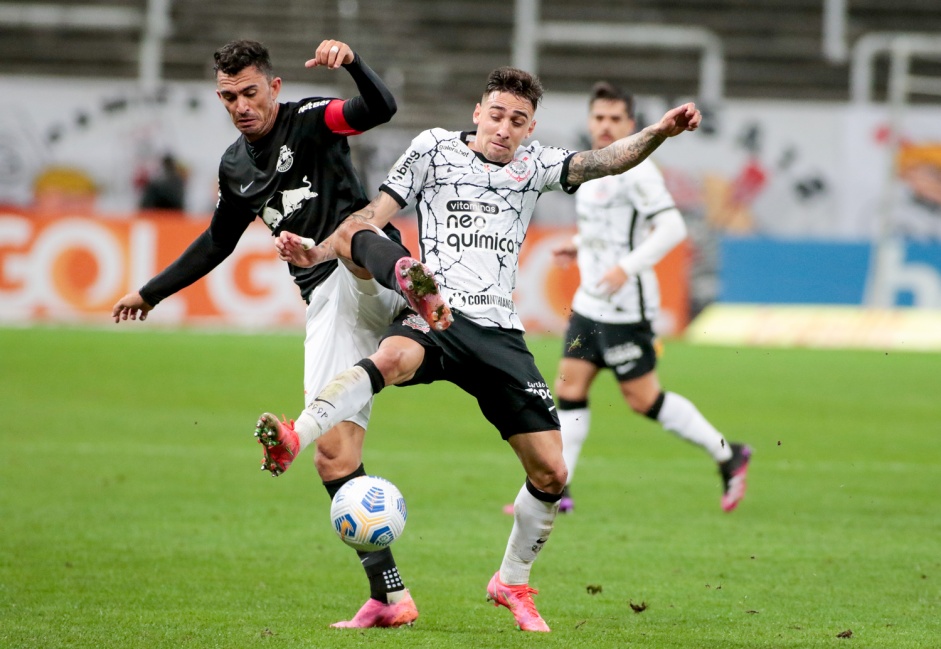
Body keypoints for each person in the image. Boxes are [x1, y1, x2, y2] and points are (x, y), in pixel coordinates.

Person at [262, 66, 701, 632]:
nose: (504, 128)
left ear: (529, 127)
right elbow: (373, 217)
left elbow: (605, 161)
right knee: (391, 355)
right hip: (437, 310)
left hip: (498, 332)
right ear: (477, 112)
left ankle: (511, 582)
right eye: (496, 115)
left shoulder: (535, 163)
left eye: (517, 121)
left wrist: (660, 133)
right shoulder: (434, 150)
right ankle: (299, 432)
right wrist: (320, 253)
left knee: (551, 472)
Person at [111, 39, 419, 629]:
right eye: (228, 96)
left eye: (250, 92)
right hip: (328, 307)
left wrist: (352, 63)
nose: (240, 105)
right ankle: (390, 595)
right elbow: (217, 241)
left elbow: (378, 110)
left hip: (359, 273)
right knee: (333, 459)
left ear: (273, 87)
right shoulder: (235, 165)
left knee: (352, 243)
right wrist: (150, 292)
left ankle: (414, 285)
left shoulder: (311, 119)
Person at [524, 82, 751, 516]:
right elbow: (605, 228)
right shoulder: (592, 169)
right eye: (599, 118)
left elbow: (672, 230)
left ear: (630, 124)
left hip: (626, 308)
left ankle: (729, 452)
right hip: (590, 305)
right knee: (569, 389)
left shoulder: (640, 170)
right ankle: (561, 487)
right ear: (590, 121)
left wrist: (625, 268)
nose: (606, 126)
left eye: (615, 119)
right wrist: (578, 243)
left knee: (643, 399)